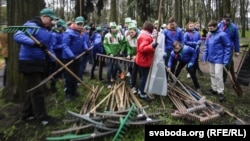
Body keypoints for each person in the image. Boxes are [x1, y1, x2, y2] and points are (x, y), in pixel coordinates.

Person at [13, 7, 58, 125]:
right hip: (29, 62)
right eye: (50, 19)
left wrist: (53, 59)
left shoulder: (46, 29)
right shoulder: (32, 25)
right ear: (44, 17)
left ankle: (26, 114)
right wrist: (34, 43)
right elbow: (18, 36)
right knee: (38, 90)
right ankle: (42, 118)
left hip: (40, 62)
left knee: (33, 89)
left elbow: (47, 47)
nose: (52, 22)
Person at [202, 20, 231, 102]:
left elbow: (227, 47)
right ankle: (214, 89)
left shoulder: (222, 34)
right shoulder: (209, 34)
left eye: (211, 28)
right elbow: (206, 46)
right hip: (211, 58)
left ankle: (220, 92)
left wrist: (225, 59)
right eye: (209, 28)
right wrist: (205, 56)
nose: (210, 29)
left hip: (219, 58)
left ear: (215, 26)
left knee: (218, 75)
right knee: (212, 74)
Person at [62, 16, 85, 101]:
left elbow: (82, 43)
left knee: (76, 74)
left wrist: (85, 48)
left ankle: (74, 90)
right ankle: (68, 93)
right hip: (68, 58)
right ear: (74, 23)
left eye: (81, 24)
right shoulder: (68, 32)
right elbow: (65, 46)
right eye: (78, 24)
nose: (80, 26)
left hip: (77, 57)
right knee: (69, 76)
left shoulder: (79, 33)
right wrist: (71, 55)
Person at [136, 21, 158, 102]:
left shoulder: (142, 35)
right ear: (150, 29)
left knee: (142, 77)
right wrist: (152, 46)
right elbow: (142, 49)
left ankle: (140, 91)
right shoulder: (146, 37)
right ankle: (142, 93)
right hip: (144, 60)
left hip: (141, 59)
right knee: (144, 78)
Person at [217, 13, 240, 84]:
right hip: (219, 48)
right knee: (219, 64)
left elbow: (236, 39)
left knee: (226, 65)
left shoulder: (233, 27)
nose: (227, 21)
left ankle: (222, 81)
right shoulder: (218, 25)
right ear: (223, 19)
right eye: (226, 20)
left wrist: (237, 50)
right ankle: (232, 77)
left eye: (228, 20)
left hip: (228, 49)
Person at [103, 22, 124, 88]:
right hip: (110, 55)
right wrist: (109, 53)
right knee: (109, 68)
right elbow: (105, 45)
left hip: (116, 54)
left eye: (114, 28)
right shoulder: (107, 35)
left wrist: (120, 50)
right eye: (112, 28)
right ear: (110, 29)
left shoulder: (119, 35)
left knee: (116, 67)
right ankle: (108, 82)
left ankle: (113, 77)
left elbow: (123, 43)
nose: (113, 29)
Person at [49, 19, 67, 93]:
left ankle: (59, 78)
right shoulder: (54, 34)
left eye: (63, 28)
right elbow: (54, 46)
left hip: (62, 55)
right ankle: (52, 86)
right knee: (54, 71)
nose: (63, 29)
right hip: (55, 56)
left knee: (61, 69)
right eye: (62, 28)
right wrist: (63, 46)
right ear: (58, 27)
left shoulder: (62, 34)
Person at [124, 22, 140, 94]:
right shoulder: (128, 38)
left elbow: (140, 49)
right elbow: (129, 47)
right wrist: (129, 54)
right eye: (129, 32)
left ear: (135, 31)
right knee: (133, 72)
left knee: (140, 72)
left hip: (139, 57)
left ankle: (141, 87)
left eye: (132, 32)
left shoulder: (139, 38)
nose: (131, 34)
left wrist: (137, 55)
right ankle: (132, 86)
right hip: (132, 58)